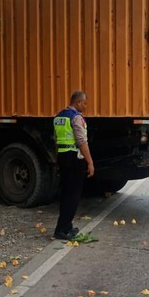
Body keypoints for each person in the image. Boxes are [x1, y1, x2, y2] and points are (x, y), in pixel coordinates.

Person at [53, 91, 95, 240]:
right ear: (77, 102)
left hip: (63, 157)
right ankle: (62, 229)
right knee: (73, 195)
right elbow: (81, 142)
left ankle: (66, 226)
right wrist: (90, 162)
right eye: (84, 103)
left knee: (65, 193)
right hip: (74, 159)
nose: (85, 106)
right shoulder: (76, 118)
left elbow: (56, 140)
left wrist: (57, 159)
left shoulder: (59, 117)